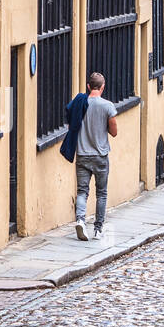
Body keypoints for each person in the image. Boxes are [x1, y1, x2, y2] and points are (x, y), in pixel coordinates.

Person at [71, 72, 118, 241]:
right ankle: (98, 229)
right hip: (100, 155)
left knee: (82, 191)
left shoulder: (80, 104)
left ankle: (80, 220)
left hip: (82, 154)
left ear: (89, 86)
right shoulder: (107, 106)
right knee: (101, 193)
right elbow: (114, 132)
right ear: (102, 87)